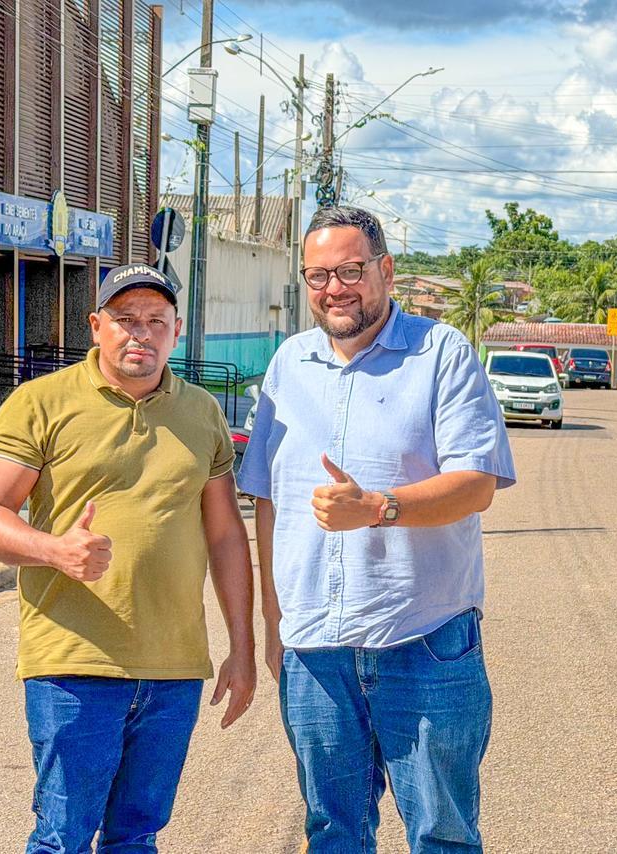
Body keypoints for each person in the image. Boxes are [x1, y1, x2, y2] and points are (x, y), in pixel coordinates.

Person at [237, 206, 516, 852]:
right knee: (333, 834)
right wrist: (274, 627)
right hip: (316, 653)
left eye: (351, 271)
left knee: (442, 835)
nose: (334, 288)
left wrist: (379, 508)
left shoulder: (440, 353)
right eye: (317, 275)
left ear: (386, 271)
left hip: (424, 642)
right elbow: (268, 503)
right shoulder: (287, 367)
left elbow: (476, 484)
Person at [0, 263, 256, 853]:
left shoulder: (201, 413)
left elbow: (227, 536)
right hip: (75, 664)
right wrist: (53, 549)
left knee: (136, 836)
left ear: (177, 331)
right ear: (96, 326)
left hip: (174, 669)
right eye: (125, 320)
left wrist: (242, 649)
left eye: (156, 321)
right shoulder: (40, 403)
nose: (140, 334)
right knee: (62, 838)